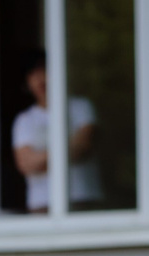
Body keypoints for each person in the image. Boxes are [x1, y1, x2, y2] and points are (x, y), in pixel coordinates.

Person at [10, 56, 97, 212]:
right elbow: (25, 164)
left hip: (81, 197)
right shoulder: (24, 120)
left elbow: (82, 148)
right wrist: (65, 150)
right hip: (41, 202)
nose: (39, 79)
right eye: (32, 74)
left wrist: (41, 159)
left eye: (43, 71)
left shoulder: (80, 107)